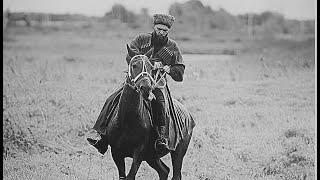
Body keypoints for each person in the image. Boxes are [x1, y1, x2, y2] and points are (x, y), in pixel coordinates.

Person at [87, 13, 185, 154]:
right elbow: (130, 55)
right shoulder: (141, 39)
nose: (161, 32)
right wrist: (149, 63)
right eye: (159, 29)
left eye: (164, 31)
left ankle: (161, 138)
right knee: (112, 98)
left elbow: (180, 71)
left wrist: (169, 68)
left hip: (157, 84)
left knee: (161, 104)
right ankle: (101, 135)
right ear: (154, 27)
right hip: (136, 81)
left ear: (168, 31)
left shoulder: (172, 46)